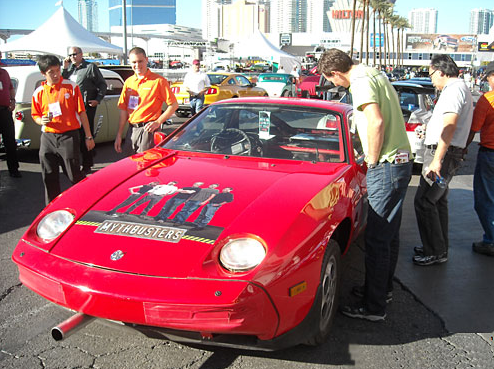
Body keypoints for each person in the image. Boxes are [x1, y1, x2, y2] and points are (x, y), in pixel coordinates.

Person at [318, 48, 412, 321]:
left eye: (331, 80)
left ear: (336, 73)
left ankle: (373, 307)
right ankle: (382, 291)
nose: (334, 85)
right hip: (401, 161)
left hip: (387, 164)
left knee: (376, 238)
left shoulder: (359, 82)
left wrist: (371, 159)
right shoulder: (374, 73)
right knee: (388, 235)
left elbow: (376, 120)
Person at [413, 54, 473, 266]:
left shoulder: (453, 90)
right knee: (436, 201)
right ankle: (437, 247)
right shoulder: (457, 88)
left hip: (443, 153)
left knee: (425, 200)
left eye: (430, 75)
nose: (431, 80)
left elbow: (450, 125)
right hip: (446, 151)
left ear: (440, 71)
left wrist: (437, 159)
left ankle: (435, 251)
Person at [31, 54, 95, 204]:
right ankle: (51, 207)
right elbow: (35, 115)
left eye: (57, 70)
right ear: (43, 74)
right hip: (48, 137)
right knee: (49, 175)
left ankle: (87, 201)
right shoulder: (38, 92)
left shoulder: (71, 87)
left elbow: (82, 112)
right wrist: (41, 120)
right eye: (51, 72)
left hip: (69, 137)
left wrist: (88, 136)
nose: (55, 74)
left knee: (73, 174)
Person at [114, 47, 178, 156]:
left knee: (146, 166)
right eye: (134, 62)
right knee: (129, 165)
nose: (137, 65)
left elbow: (174, 105)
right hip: (131, 130)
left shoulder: (158, 81)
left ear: (146, 60)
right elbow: (124, 110)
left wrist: (158, 122)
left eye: (140, 61)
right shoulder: (129, 82)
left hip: (148, 131)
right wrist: (119, 135)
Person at [465, 61, 494, 257]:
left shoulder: (487, 99)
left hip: (490, 154)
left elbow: (473, 129)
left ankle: (491, 240)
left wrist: (462, 148)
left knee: (485, 199)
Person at [62, 46, 107, 173]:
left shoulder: (90, 67)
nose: (72, 57)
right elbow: (62, 82)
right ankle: (84, 157)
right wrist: (65, 67)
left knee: (86, 134)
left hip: (86, 106)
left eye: (74, 54)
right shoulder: (70, 69)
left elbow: (102, 84)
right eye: (70, 55)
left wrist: (98, 99)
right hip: (71, 107)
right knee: (74, 135)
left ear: (81, 54)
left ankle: (87, 163)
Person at [0, 66, 21, 178]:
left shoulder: (4, 73)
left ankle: (14, 169)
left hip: (5, 111)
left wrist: (13, 101)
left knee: (10, 141)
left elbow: (10, 88)